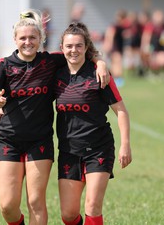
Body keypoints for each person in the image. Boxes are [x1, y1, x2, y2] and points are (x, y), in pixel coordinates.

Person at [0, 9, 109, 225]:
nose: (28, 42)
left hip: (39, 141)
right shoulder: (5, 64)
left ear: (40, 39)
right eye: (23, 38)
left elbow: (80, 51)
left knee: (35, 200)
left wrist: (101, 63)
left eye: (33, 37)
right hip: (8, 140)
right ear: (15, 40)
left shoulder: (50, 62)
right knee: (7, 206)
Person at [55, 22, 132, 225]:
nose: (74, 50)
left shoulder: (100, 75)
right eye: (69, 46)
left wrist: (125, 144)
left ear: (87, 48)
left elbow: (121, 111)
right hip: (68, 150)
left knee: (92, 206)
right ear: (61, 48)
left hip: (98, 148)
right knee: (68, 214)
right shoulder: (55, 73)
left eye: (79, 46)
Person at [140, 9, 164, 81]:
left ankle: (162, 73)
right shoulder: (150, 26)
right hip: (152, 48)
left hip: (161, 49)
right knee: (150, 59)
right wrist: (146, 48)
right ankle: (150, 73)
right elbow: (146, 37)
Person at [102, 9, 128, 87]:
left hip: (119, 47)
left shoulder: (122, 27)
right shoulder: (115, 26)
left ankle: (114, 79)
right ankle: (117, 79)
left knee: (115, 63)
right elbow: (110, 35)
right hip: (115, 48)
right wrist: (108, 45)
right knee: (117, 62)